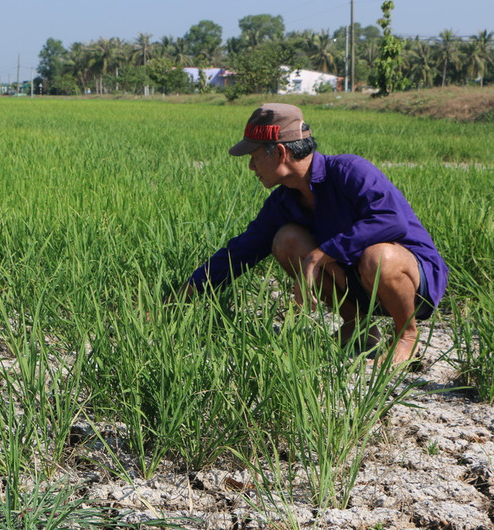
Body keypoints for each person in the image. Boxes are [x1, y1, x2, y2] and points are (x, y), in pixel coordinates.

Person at [179, 103, 448, 364]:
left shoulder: (349, 171)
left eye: (255, 156)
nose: (251, 166)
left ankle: (407, 335)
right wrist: (178, 299)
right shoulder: (284, 201)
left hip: (412, 283)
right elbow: (239, 253)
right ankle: (359, 326)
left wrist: (324, 253)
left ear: (280, 152)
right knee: (287, 240)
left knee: (379, 256)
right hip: (357, 284)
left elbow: (393, 222)